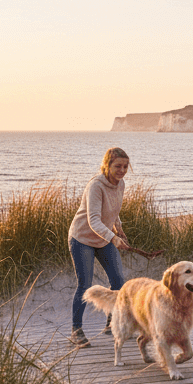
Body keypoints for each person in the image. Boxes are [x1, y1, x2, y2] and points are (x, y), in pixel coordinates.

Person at [68, 147, 131, 346]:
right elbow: (94, 219)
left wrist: (118, 228)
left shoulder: (120, 184)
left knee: (118, 281)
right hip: (82, 239)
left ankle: (111, 324)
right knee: (85, 284)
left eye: (125, 166)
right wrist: (113, 238)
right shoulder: (96, 185)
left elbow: (113, 209)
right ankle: (76, 330)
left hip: (104, 239)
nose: (122, 170)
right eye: (117, 166)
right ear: (107, 165)